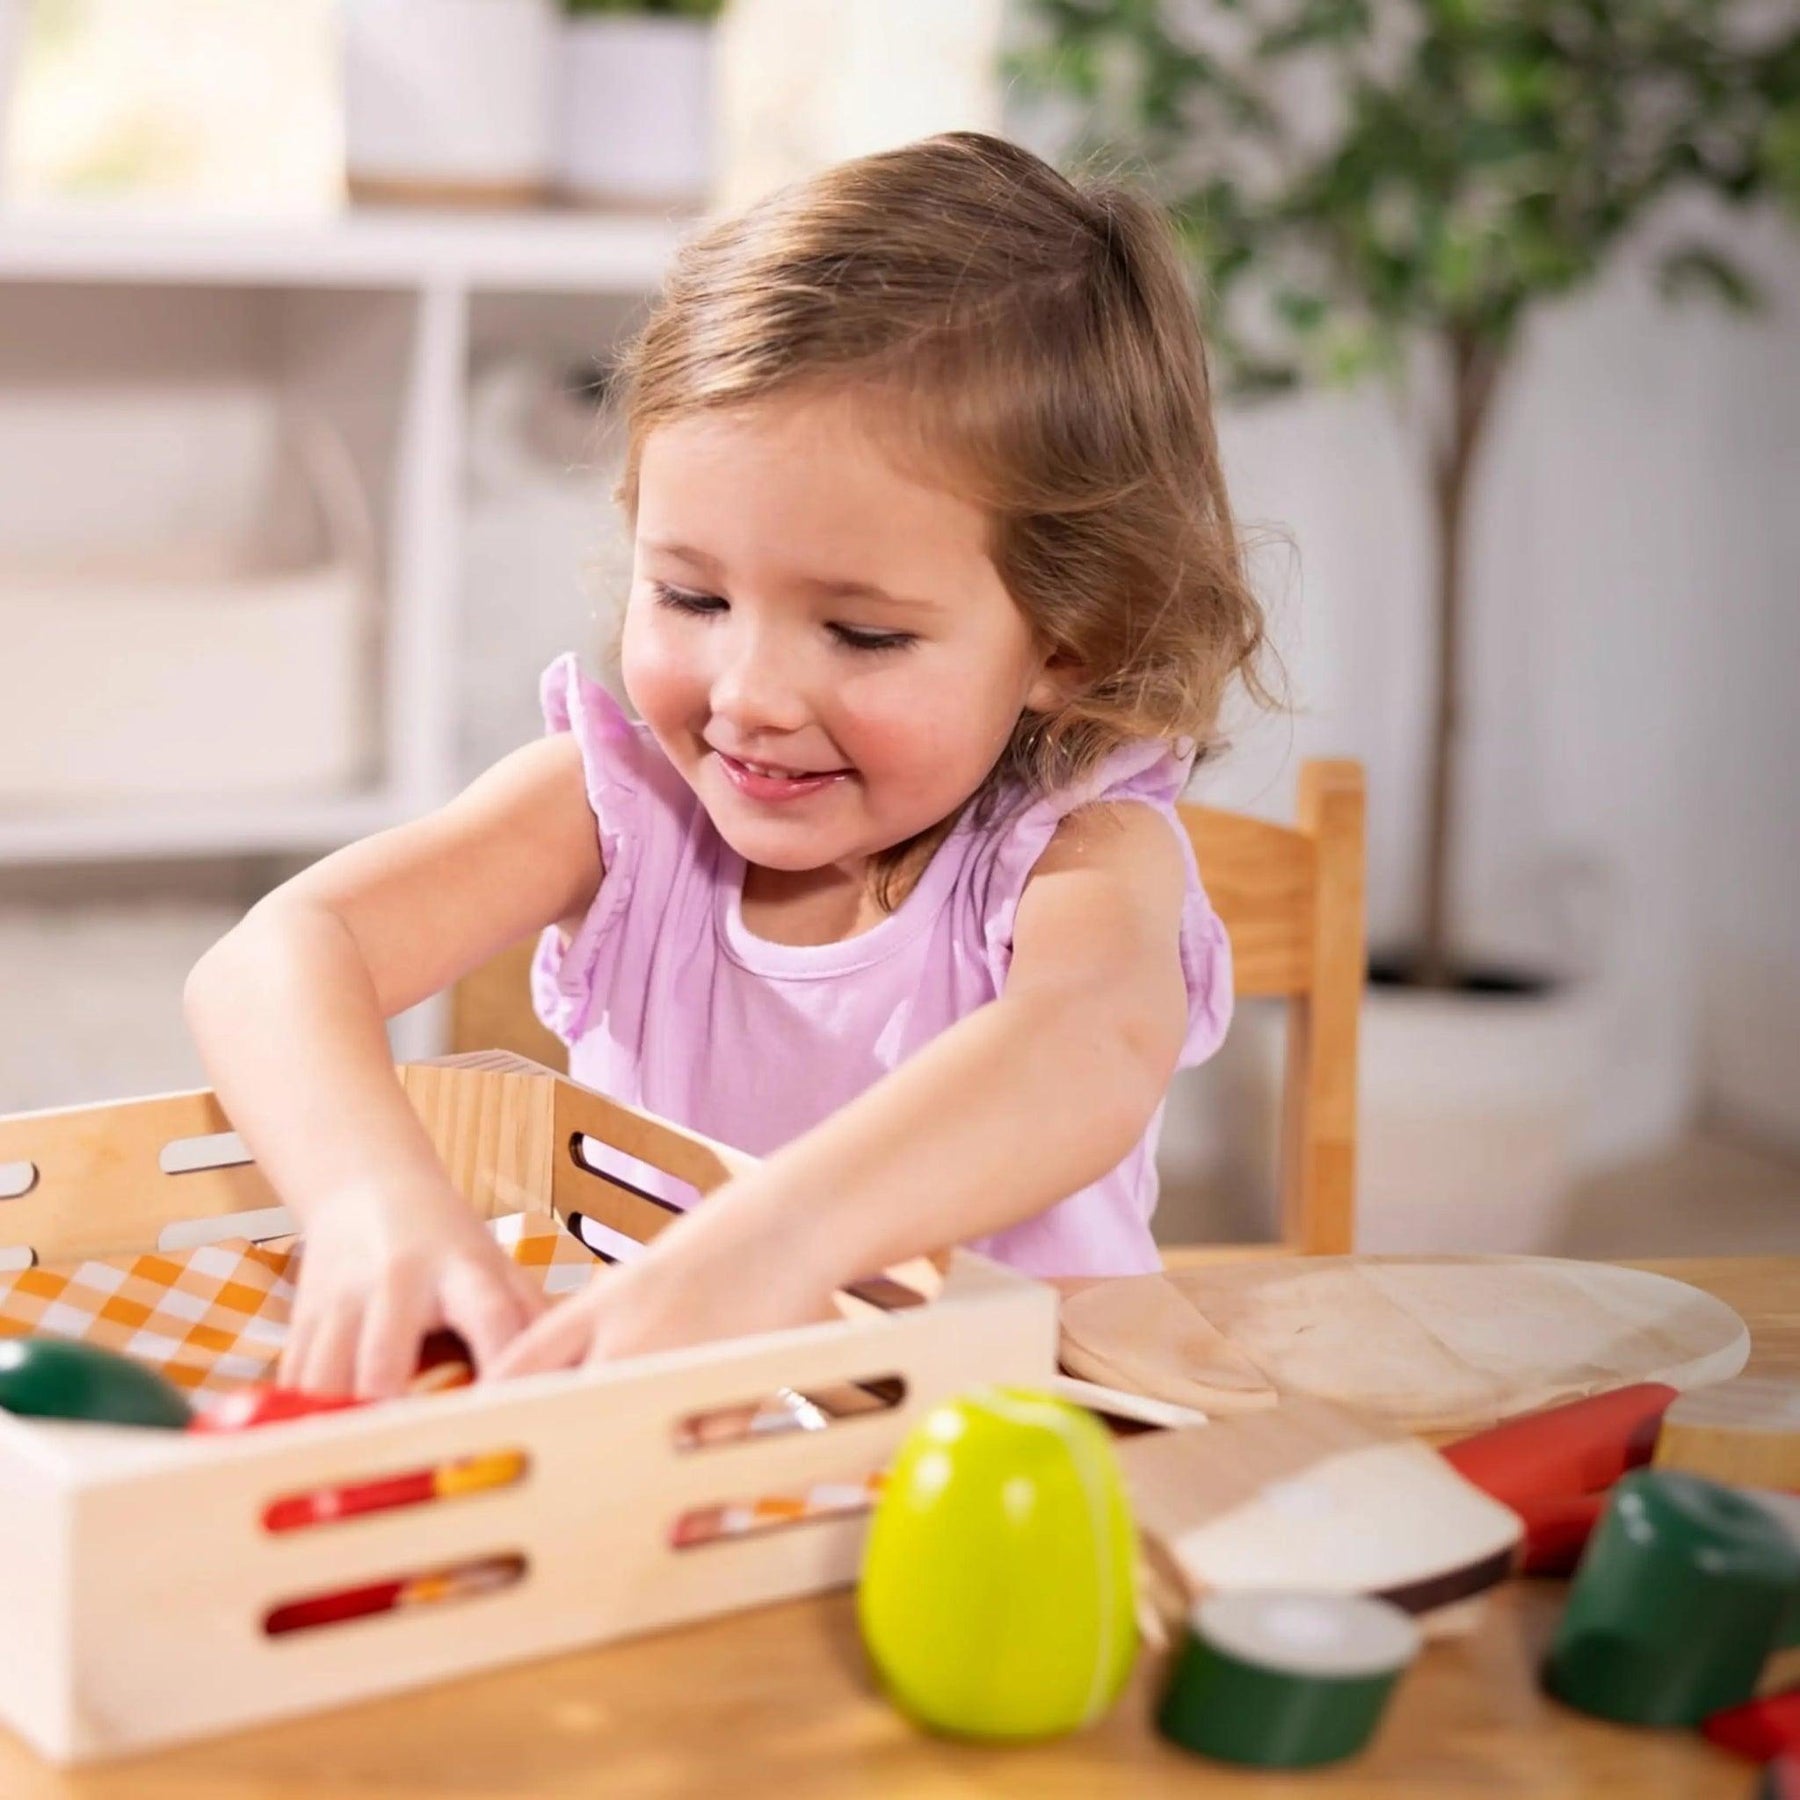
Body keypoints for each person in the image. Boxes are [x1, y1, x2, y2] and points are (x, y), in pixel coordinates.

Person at [184, 131, 1270, 1398]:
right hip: (676, 1473)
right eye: (691, 596)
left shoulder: (1077, 860)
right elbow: (269, 959)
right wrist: (374, 1204)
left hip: (1022, 1479)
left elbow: (1086, 1044)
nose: (749, 696)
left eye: (861, 632)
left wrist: (773, 1242)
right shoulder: (618, 813)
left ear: (1068, 643)